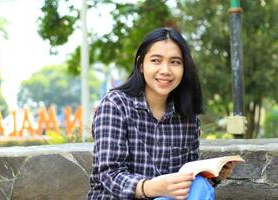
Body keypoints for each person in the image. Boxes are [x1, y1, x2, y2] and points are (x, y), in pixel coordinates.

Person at [87, 27, 234, 200]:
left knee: (200, 185)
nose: (165, 70)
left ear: (184, 68)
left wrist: (214, 177)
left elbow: (186, 180)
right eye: (156, 60)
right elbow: (109, 175)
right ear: (141, 65)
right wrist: (149, 187)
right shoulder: (115, 105)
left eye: (175, 62)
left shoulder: (187, 117)